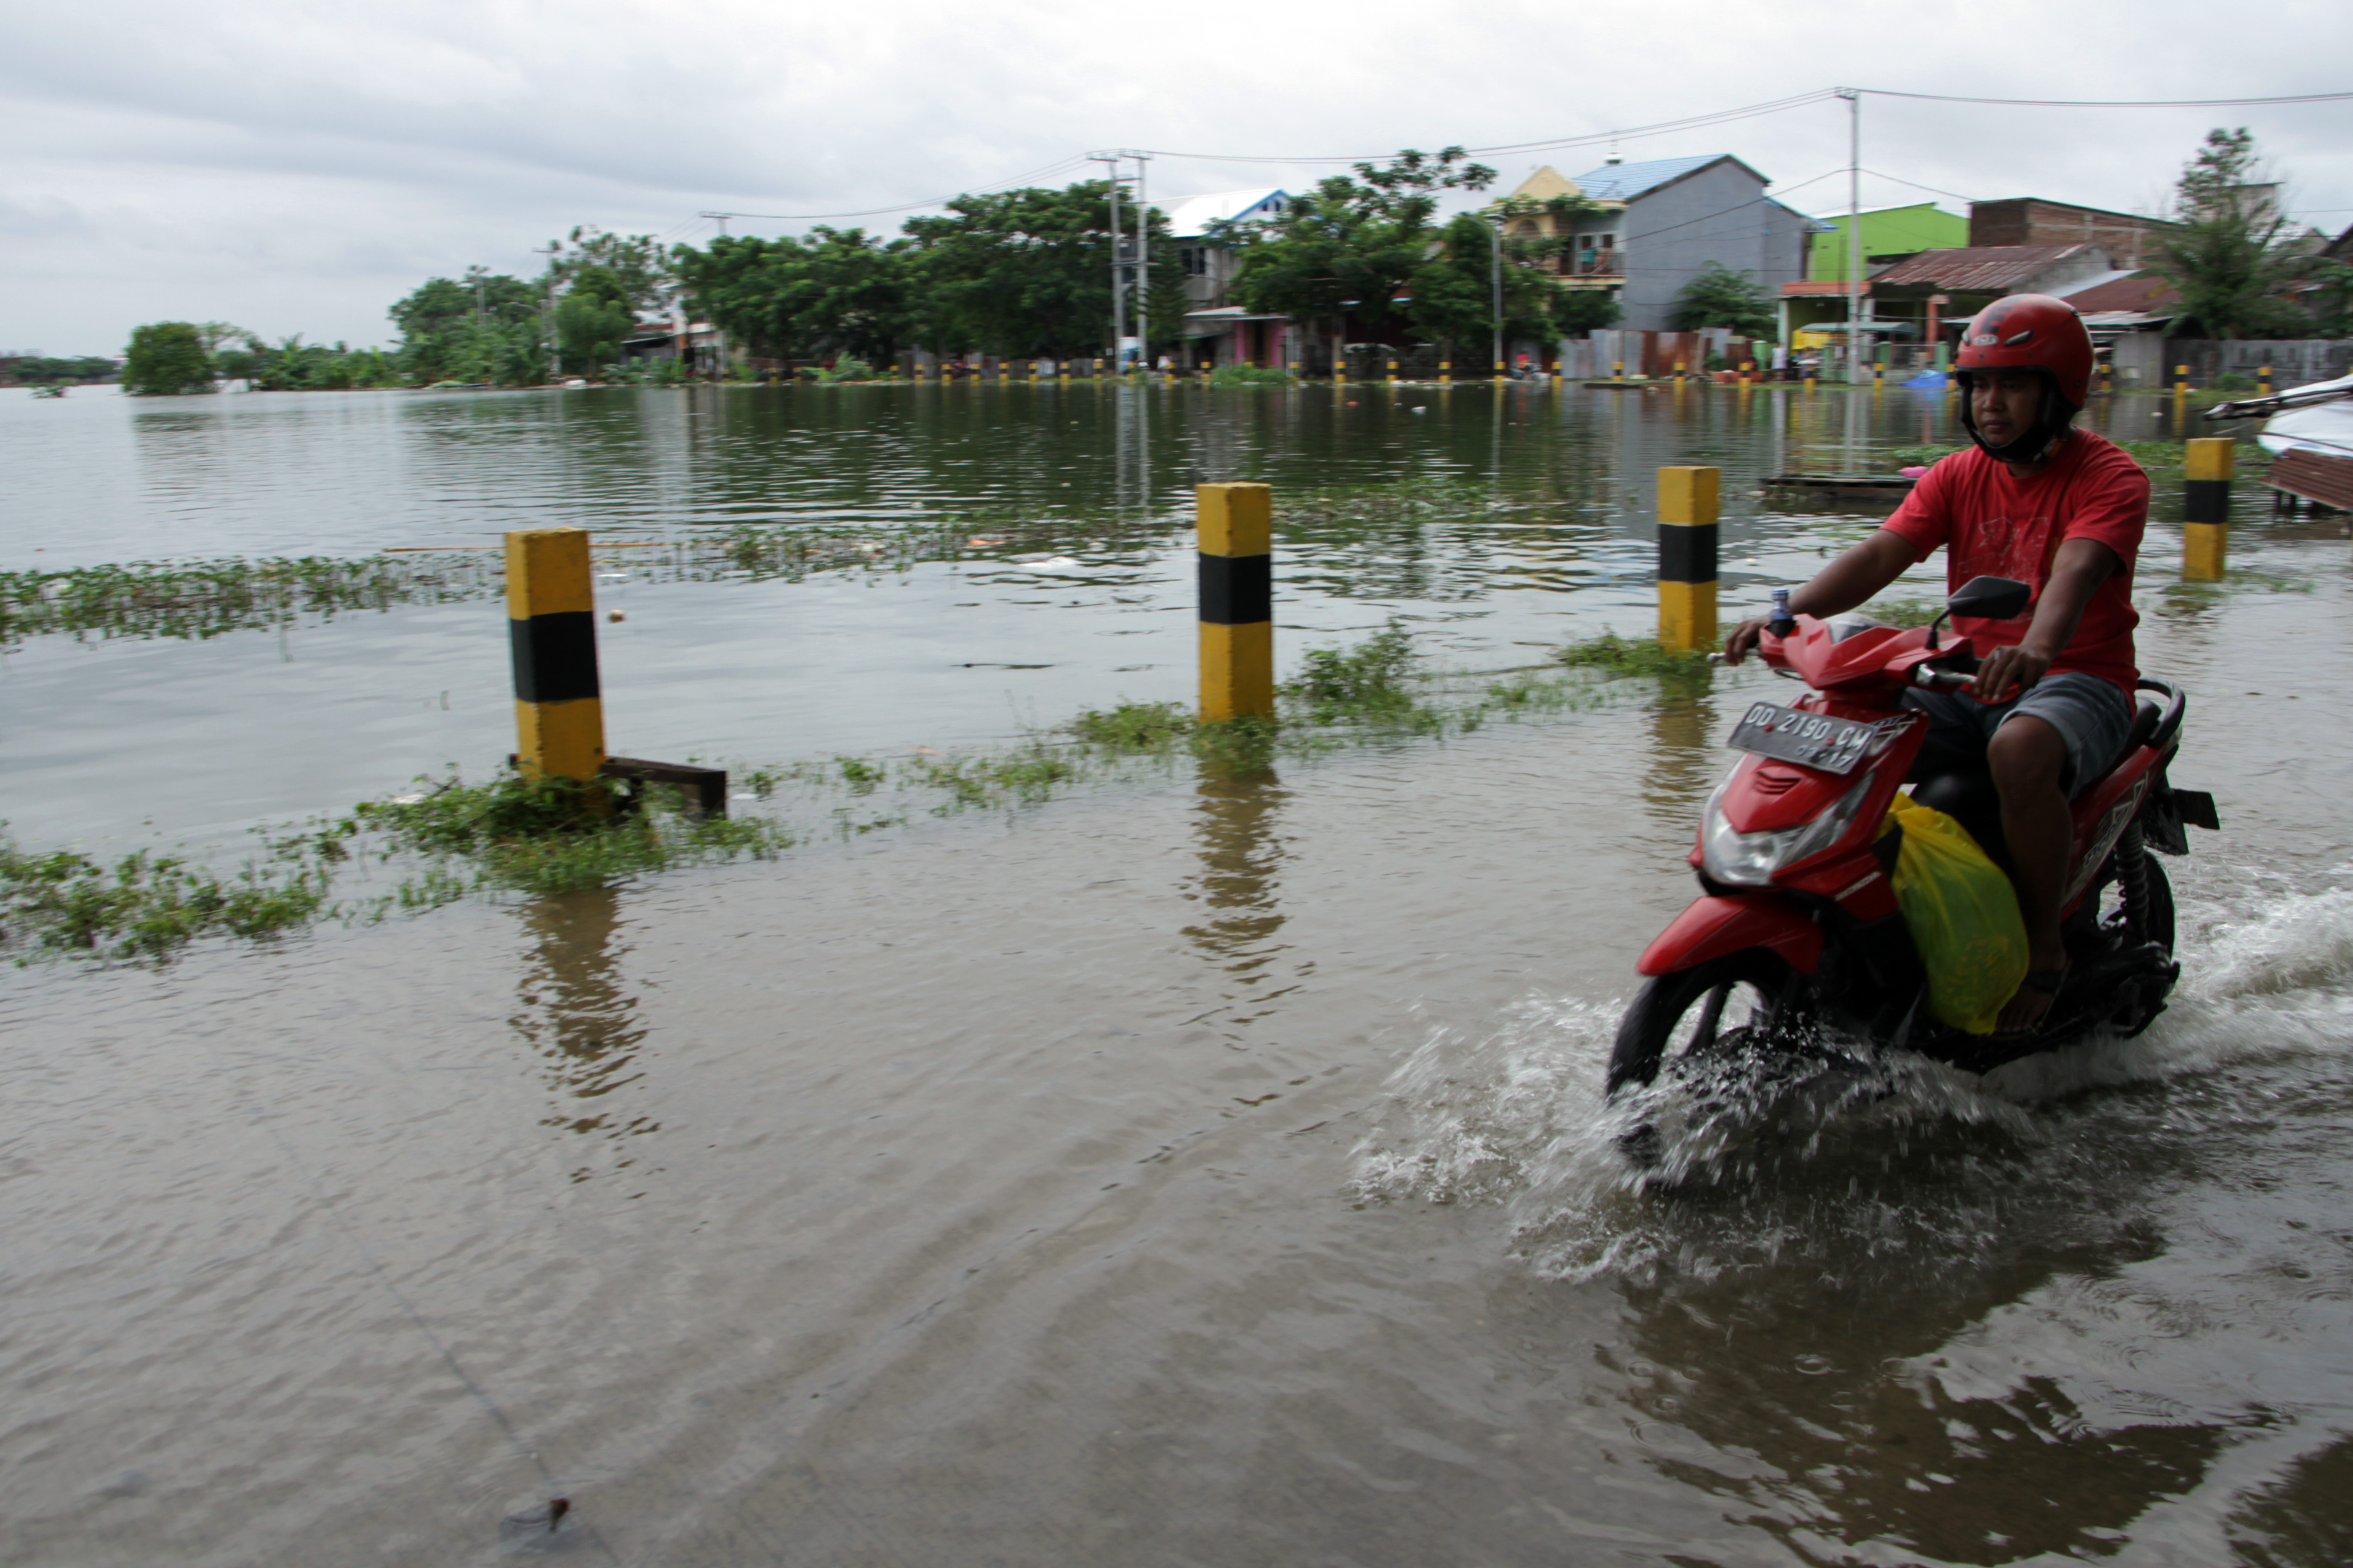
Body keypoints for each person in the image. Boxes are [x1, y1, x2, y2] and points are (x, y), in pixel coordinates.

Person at [1724, 293, 2148, 1033]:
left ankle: (2042, 950)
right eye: (1979, 385)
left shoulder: (2109, 477)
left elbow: (2076, 570)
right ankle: (1845, 913)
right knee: (1831, 724)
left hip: (2077, 678)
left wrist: (2036, 649)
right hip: (1965, 675)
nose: (1991, 403)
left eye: (2012, 385)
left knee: (2019, 749)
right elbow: (1878, 555)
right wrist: (1787, 615)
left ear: (2060, 391)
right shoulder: (1956, 474)